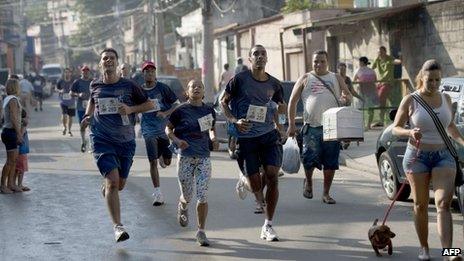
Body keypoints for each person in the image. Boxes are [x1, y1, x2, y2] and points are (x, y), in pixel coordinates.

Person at [392, 59, 464, 260]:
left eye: (437, 80)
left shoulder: (446, 99)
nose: (433, 84)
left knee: (443, 203)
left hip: (444, 156)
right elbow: (395, 127)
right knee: (421, 205)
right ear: (421, 78)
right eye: (430, 80)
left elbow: (450, 127)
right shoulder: (410, 100)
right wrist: (409, 132)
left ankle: (449, 253)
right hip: (417, 157)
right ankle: (424, 247)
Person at [80, 48, 153, 242]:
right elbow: (92, 101)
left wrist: (131, 108)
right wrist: (88, 116)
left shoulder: (129, 85)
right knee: (112, 182)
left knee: (119, 185)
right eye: (105, 58)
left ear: (117, 62)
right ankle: (118, 227)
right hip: (101, 139)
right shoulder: (95, 84)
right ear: (101, 63)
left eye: (112, 58)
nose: (109, 61)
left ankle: (107, 188)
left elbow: (149, 105)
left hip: (125, 141)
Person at [221, 44, 285, 241]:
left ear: (267, 59)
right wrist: (234, 120)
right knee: (255, 181)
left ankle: (268, 225)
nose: (259, 57)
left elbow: (278, 108)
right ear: (250, 59)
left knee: (272, 175)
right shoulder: (239, 80)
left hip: (268, 135)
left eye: (263, 54)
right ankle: (250, 184)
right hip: (246, 136)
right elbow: (223, 102)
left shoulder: (274, 84)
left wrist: (281, 126)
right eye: (255, 54)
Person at [287, 50, 352, 204]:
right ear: (312, 62)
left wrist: (345, 99)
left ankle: (326, 193)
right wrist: (291, 125)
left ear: (327, 62)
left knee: (330, 162)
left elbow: (348, 96)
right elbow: (292, 101)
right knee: (309, 159)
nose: (319, 64)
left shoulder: (335, 77)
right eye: (316, 61)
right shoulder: (305, 78)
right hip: (312, 127)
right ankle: (308, 181)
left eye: (322, 61)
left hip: (332, 127)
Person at [166, 79, 219, 246]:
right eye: (192, 87)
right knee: (188, 195)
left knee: (202, 195)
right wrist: (176, 140)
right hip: (185, 157)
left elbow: (210, 129)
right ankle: (183, 204)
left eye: (200, 87)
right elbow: (168, 129)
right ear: (187, 93)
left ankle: (201, 231)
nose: (196, 89)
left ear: (203, 92)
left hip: (203, 157)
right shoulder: (180, 111)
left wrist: (214, 138)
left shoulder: (209, 110)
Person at [140, 60, 179, 206]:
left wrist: (165, 113)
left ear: (154, 73)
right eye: (146, 71)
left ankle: (164, 156)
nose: (149, 73)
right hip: (148, 128)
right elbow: (133, 107)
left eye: (152, 71)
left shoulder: (163, 88)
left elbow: (176, 104)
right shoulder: (140, 91)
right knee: (152, 162)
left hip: (163, 130)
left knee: (167, 162)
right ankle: (158, 193)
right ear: (143, 74)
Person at [1, 78, 23, 194]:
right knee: (10, 161)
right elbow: (14, 118)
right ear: (15, 87)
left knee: (14, 160)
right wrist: (19, 134)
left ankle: (11, 184)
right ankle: (3, 186)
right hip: (10, 132)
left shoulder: (8, 99)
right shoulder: (12, 100)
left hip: (10, 131)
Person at [372, 46, 401, 127]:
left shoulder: (389, 58)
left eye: (381, 52)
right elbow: (372, 68)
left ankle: (386, 120)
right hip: (380, 83)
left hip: (388, 83)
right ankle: (382, 121)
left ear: (385, 52)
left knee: (381, 98)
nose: (380, 54)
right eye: (378, 52)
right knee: (382, 103)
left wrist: (400, 58)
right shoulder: (377, 60)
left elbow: (397, 62)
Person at [337, 62, 362, 150]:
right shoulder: (335, 78)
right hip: (338, 104)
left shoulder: (347, 79)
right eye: (341, 69)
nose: (343, 71)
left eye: (344, 69)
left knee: (347, 123)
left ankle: (346, 141)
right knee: (339, 123)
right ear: (338, 69)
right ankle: (339, 141)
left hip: (347, 103)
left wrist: (360, 98)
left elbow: (352, 91)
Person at [71, 65, 92, 152]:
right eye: (84, 71)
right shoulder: (77, 82)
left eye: (87, 71)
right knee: (82, 126)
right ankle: (83, 141)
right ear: (81, 72)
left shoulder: (93, 81)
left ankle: (91, 145)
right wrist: (78, 95)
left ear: (89, 72)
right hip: (81, 108)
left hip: (91, 107)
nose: (85, 72)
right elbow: (71, 92)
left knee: (92, 126)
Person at [353, 56, 378, 130]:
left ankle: (362, 125)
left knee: (361, 108)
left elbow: (354, 81)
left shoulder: (358, 70)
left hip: (362, 91)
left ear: (362, 62)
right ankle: (368, 125)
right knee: (370, 108)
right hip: (371, 91)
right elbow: (376, 80)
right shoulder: (372, 70)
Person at [56, 68, 76, 136]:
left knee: (70, 117)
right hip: (63, 101)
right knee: (64, 115)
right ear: (64, 73)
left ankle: (69, 130)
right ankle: (64, 127)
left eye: (68, 72)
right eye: (65, 72)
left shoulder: (73, 81)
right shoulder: (60, 81)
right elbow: (56, 88)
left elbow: (77, 89)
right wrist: (60, 91)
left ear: (70, 73)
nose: (67, 74)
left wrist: (75, 93)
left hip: (71, 102)